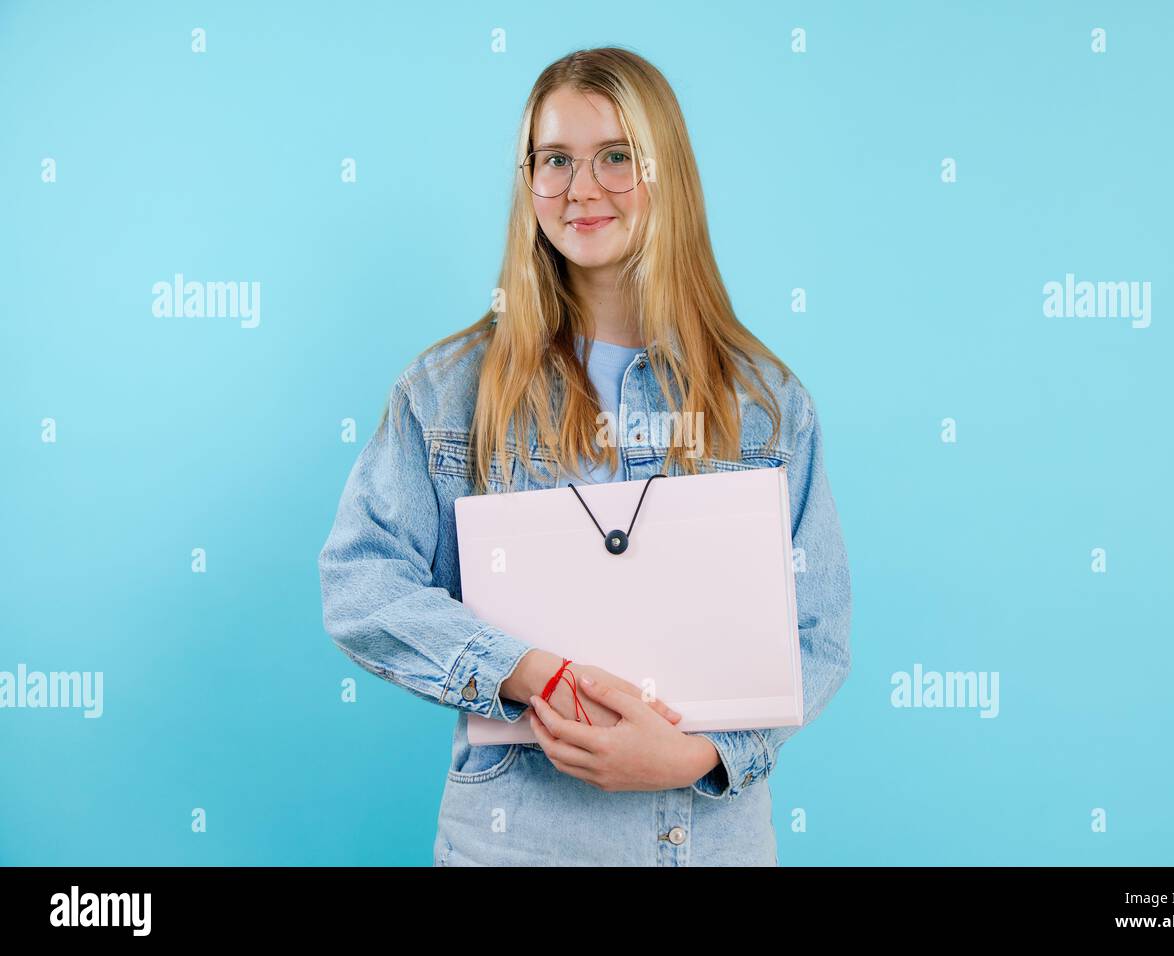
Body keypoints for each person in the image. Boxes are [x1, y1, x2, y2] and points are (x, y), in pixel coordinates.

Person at [317, 46, 852, 866]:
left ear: (662, 170)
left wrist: (704, 755)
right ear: (528, 180)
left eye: (614, 158)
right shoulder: (448, 391)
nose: (581, 189)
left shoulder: (766, 403)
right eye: (555, 160)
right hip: (518, 845)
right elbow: (361, 582)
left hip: (705, 843)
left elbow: (816, 631)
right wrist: (528, 672)